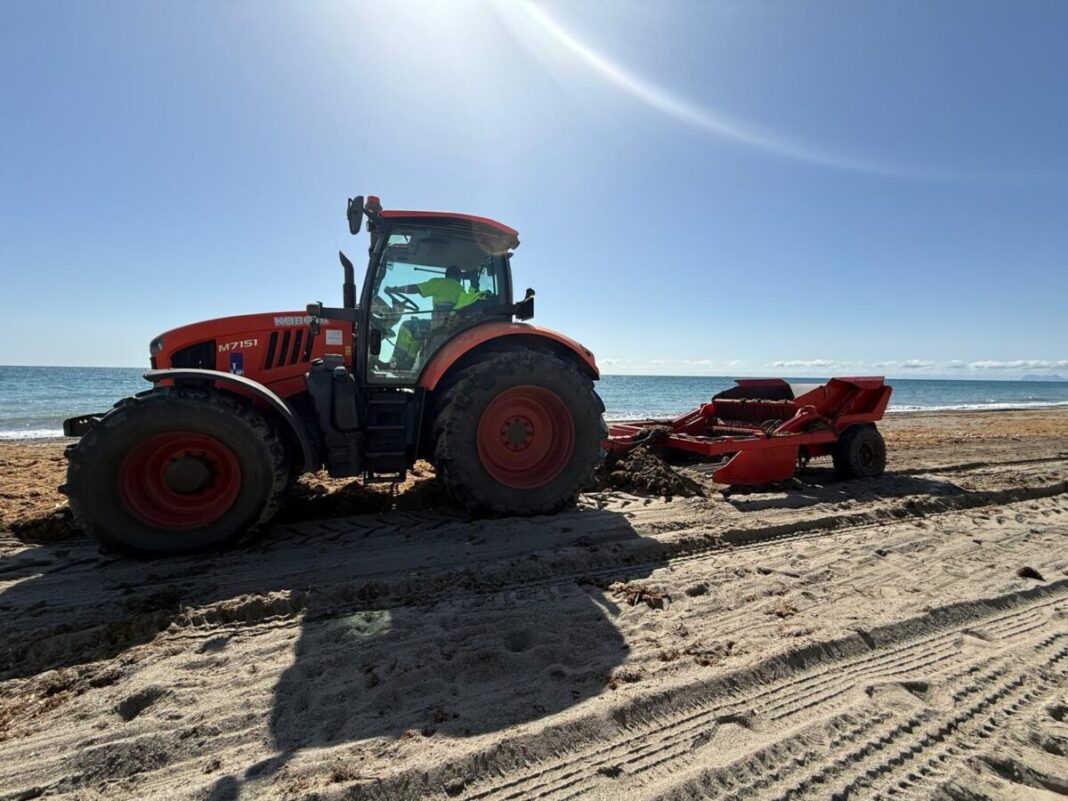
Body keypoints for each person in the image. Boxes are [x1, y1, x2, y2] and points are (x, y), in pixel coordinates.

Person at [386, 266, 488, 370]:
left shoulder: (439, 283)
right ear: (459, 277)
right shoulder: (462, 290)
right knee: (419, 329)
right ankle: (407, 363)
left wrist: (395, 289)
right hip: (453, 326)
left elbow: (416, 288)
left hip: (439, 325)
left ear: (446, 276)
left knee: (408, 326)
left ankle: (397, 362)